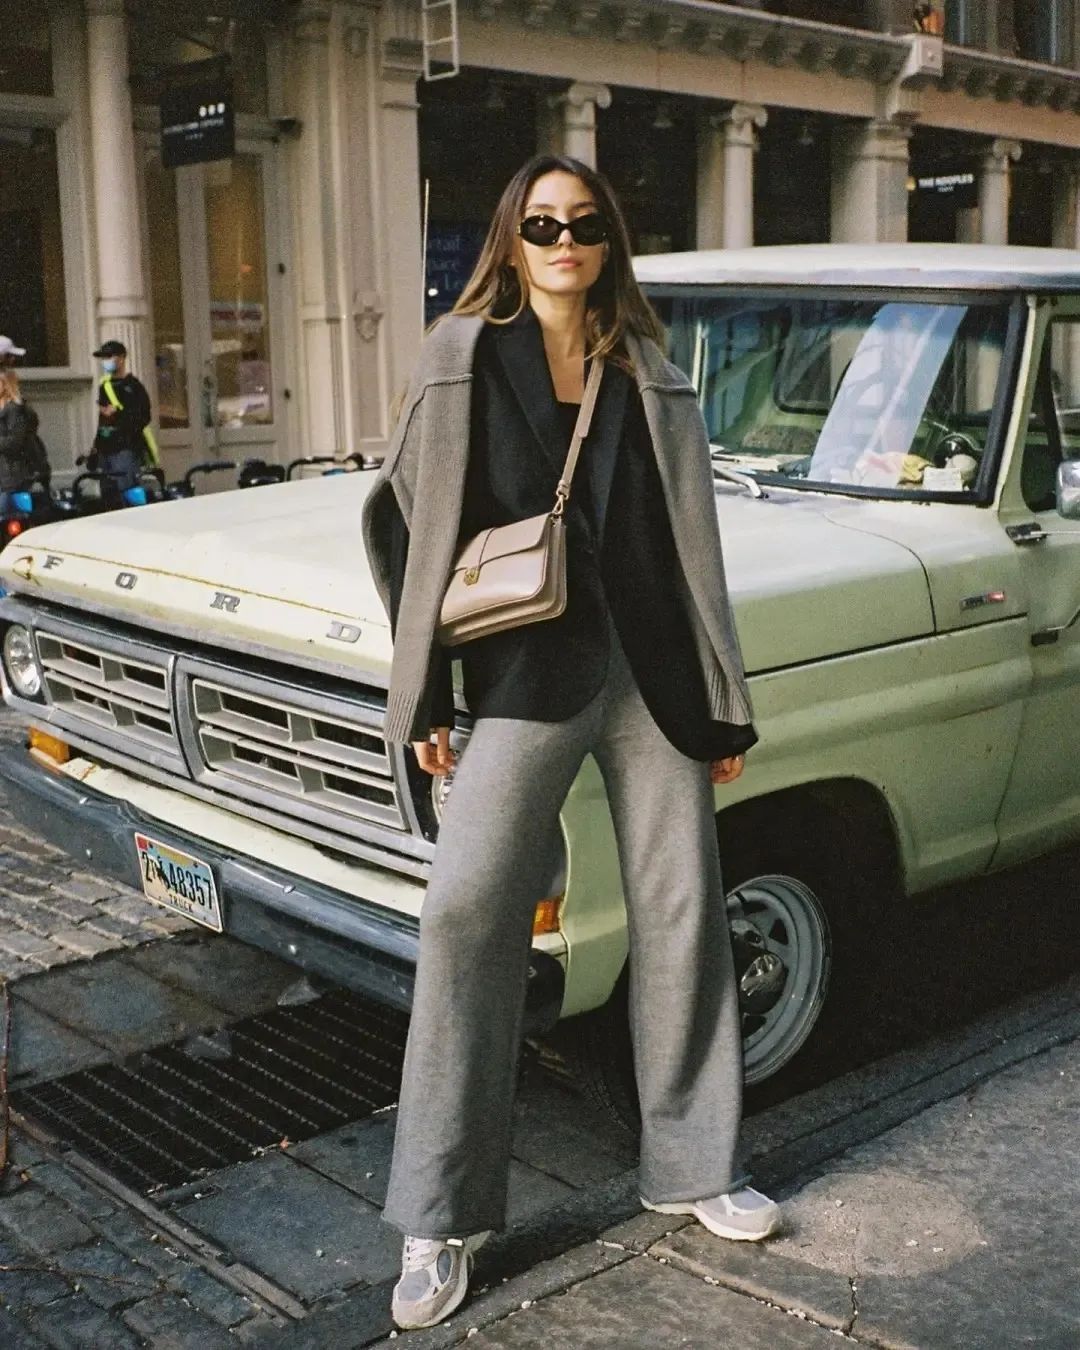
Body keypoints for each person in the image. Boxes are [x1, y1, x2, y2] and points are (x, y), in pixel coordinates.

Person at [362, 154, 779, 1333]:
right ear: (512, 237)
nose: (563, 242)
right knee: (464, 914)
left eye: (583, 224)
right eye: (542, 224)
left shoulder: (647, 365)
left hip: (651, 674)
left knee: (684, 912)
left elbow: (689, 543)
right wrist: (429, 699)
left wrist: (719, 699)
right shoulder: (461, 355)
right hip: (524, 674)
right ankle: (440, 1215)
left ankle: (696, 1165)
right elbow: (408, 526)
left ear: (608, 242)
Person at [90, 340, 158, 501]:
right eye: (103, 358)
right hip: (105, 448)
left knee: (128, 491)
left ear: (121, 358)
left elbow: (143, 417)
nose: (105, 361)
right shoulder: (104, 386)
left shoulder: (134, 386)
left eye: (109, 357)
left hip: (125, 448)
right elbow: (103, 420)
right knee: (108, 495)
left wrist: (118, 414)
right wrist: (96, 446)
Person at [0, 370, 44, 510]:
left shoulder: (14, 410)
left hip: (13, 474)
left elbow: (15, 442)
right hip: (6, 474)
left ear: (5, 385)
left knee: (14, 513)